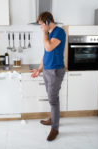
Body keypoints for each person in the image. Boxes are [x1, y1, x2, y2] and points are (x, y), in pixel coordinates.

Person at [31, 11, 66, 141]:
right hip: (47, 70)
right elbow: (46, 53)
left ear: (47, 22)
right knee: (52, 97)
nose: (40, 27)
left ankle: (55, 128)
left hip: (55, 71)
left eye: (41, 24)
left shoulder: (59, 32)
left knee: (53, 99)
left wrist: (45, 32)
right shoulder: (50, 34)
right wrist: (39, 69)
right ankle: (52, 119)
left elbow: (49, 47)